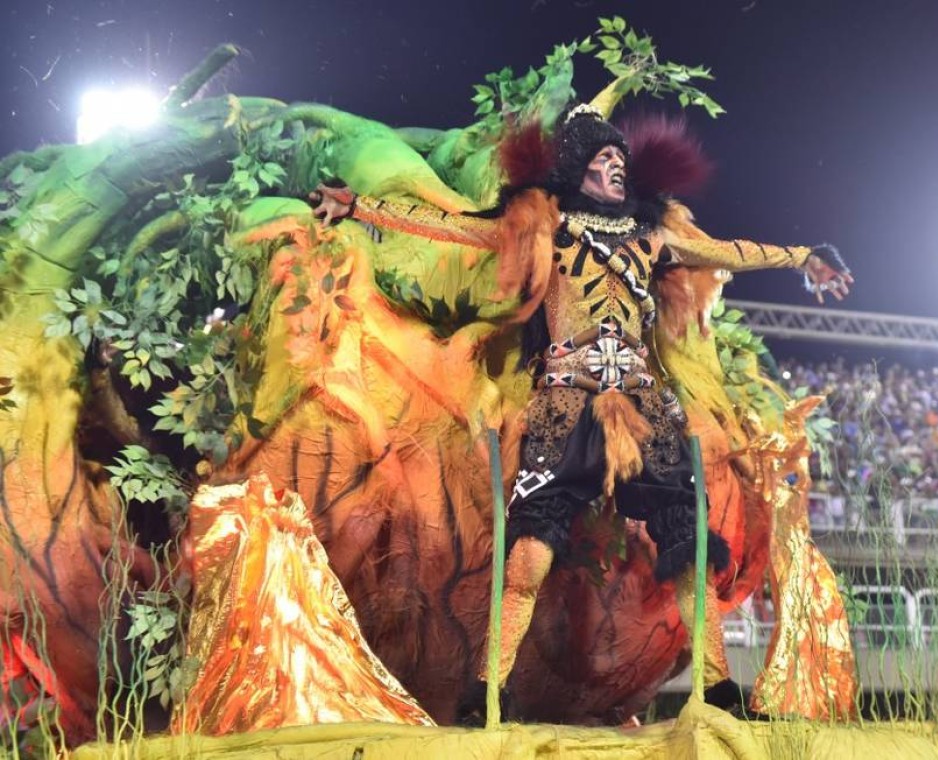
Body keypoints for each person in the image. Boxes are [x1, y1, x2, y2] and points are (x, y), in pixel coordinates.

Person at [308, 103, 853, 709]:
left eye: (621, 157)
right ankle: (490, 689)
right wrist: (360, 208)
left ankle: (719, 687)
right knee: (532, 551)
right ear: (580, 168)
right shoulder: (547, 220)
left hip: (646, 404)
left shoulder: (654, 231)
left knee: (686, 541)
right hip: (566, 400)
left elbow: (729, 251)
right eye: (605, 157)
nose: (618, 166)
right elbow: (456, 225)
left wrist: (804, 255)